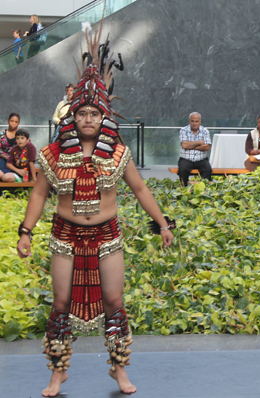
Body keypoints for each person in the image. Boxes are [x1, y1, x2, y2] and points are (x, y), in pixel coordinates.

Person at [16, 26, 174, 397]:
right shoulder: (52, 155)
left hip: (106, 237)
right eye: (82, 113)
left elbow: (139, 188)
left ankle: (119, 371)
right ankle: (58, 374)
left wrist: (163, 223)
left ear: (104, 117)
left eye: (94, 113)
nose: (87, 118)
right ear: (73, 117)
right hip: (64, 236)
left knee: (115, 303)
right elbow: (39, 194)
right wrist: (26, 232)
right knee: (59, 304)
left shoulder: (119, 154)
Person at [177, 112, 212, 187]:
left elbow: (207, 147)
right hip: (186, 159)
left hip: (201, 159)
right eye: (192, 121)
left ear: (200, 121)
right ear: (189, 121)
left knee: (207, 169)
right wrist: (199, 142)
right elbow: (184, 145)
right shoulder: (183, 130)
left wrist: (190, 145)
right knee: (182, 170)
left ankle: (204, 190)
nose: (194, 123)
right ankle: (184, 188)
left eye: (196, 121)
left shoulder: (205, 131)